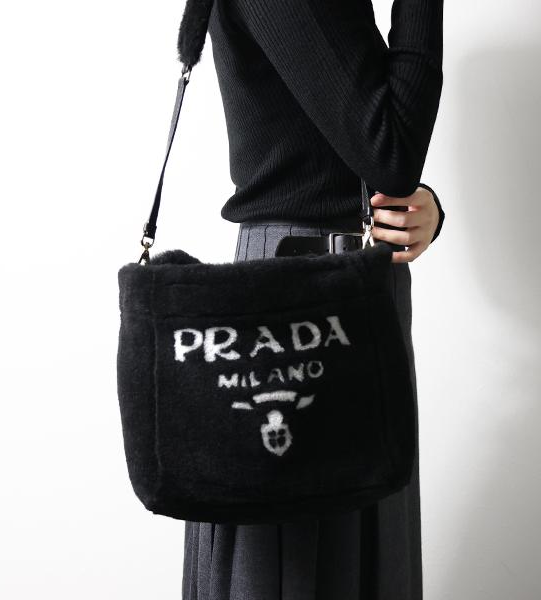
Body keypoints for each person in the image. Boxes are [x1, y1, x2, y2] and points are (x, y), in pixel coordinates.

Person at [182, 0, 445, 598]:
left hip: (343, 288)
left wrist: (416, 210)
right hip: (299, 298)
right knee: (293, 569)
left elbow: (342, 150)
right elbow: (390, 153)